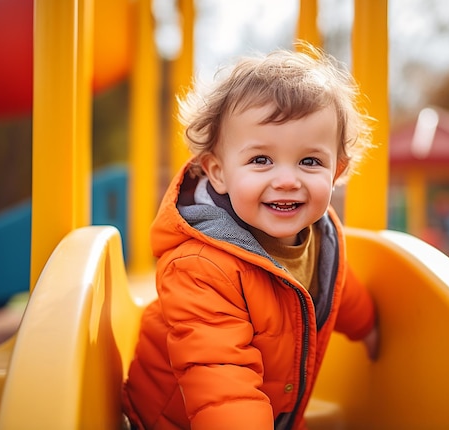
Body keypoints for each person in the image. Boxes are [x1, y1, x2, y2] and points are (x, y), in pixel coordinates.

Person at [122, 43, 379, 430]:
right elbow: (221, 380)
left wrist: (369, 328)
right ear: (218, 172)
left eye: (310, 161)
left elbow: (336, 287)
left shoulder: (322, 234)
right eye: (261, 160)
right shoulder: (200, 268)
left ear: (337, 170)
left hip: (274, 410)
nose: (288, 180)